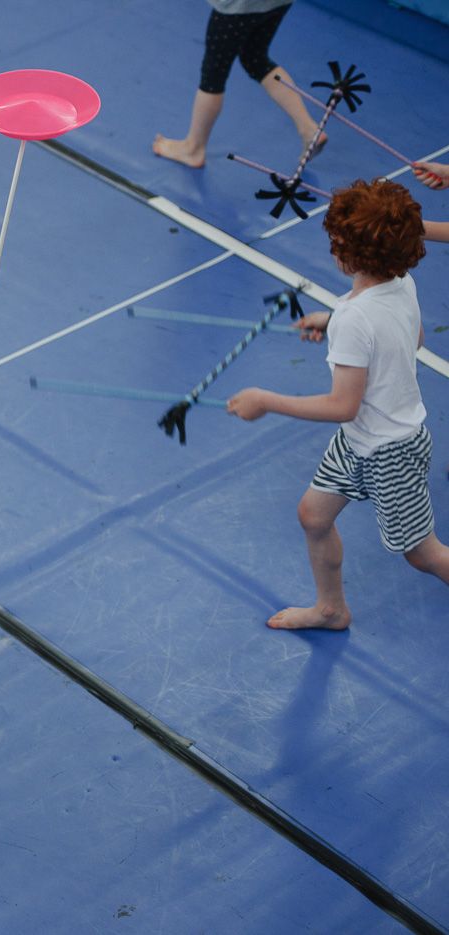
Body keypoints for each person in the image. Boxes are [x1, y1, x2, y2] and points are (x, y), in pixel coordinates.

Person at [227, 179, 449, 629]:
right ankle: (331, 609)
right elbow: (414, 338)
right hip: (359, 442)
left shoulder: (355, 317)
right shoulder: (400, 283)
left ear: (349, 254)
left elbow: (342, 405)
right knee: (313, 515)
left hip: (391, 449)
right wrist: (334, 325)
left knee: (424, 555)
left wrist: (265, 400)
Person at [153, 0, 326, 169]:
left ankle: (193, 149)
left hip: (240, 6)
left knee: (214, 74)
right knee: (255, 58)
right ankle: (309, 129)